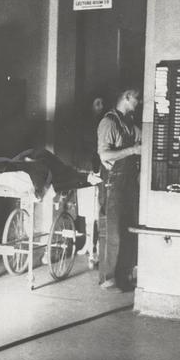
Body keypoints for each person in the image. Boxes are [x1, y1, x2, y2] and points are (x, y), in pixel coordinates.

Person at [97, 87, 142, 292]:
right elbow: (105, 155)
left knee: (129, 228)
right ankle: (108, 277)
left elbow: (143, 138)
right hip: (113, 182)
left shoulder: (129, 123)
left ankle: (124, 275)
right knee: (113, 232)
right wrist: (133, 150)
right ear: (126, 97)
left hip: (129, 181)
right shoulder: (109, 122)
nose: (138, 103)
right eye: (137, 99)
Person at [75, 95, 106, 264]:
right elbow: (78, 147)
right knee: (87, 212)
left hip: (98, 170)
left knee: (98, 210)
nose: (100, 106)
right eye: (97, 103)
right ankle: (88, 243)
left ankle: (100, 245)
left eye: (102, 103)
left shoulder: (105, 123)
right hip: (84, 169)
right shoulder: (82, 124)